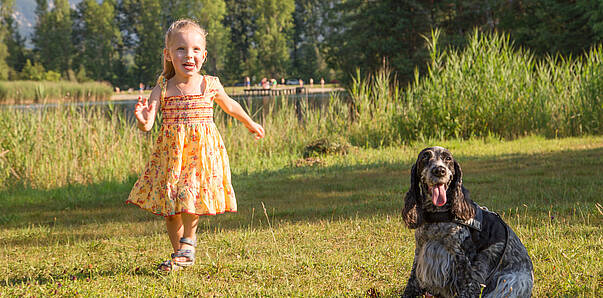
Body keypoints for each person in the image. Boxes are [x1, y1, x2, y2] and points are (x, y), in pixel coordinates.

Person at [127, 19, 265, 272]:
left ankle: (188, 244)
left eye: (195, 49)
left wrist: (250, 122)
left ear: (204, 54)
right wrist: (143, 120)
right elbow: (148, 123)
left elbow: (231, 105)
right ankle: (180, 254)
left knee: (190, 195)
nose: (188, 55)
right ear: (168, 55)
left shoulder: (209, 84)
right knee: (171, 208)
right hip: (171, 157)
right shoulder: (163, 87)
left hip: (200, 156)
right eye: (180, 49)